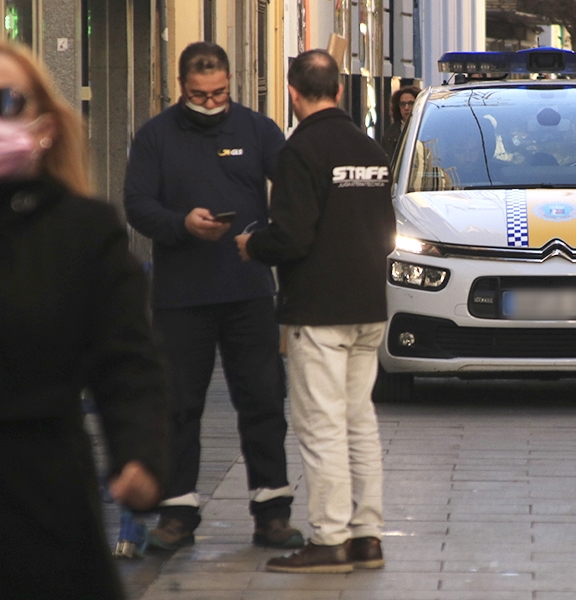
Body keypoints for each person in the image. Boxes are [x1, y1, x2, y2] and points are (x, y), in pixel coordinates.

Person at [0, 40, 168, 599]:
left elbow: (127, 361)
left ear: (44, 123)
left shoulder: (83, 232)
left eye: (4, 101)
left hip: (43, 508)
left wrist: (139, 455)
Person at [123, 41, 301, 551]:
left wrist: (272, 244)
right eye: (200, 95)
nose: (210, 101)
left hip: (247, 290)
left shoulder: (256, 130)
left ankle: (272, 511)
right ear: (181, 87)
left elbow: (292, 187)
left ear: (230, 84)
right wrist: (181, 224)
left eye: (219, 92)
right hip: (181, 296)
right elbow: (137, 204)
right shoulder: (155, 137)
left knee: (263, 398)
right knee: (178, 404)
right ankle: (177, 513)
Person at [235, 49, 395, 574]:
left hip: (321, 311)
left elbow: (293, 236)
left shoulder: (301, 149)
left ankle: (329, 540)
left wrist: (253, 245)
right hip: (370, 306)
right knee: (359, 422)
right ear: (340, 90)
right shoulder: (370, 148)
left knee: (321, 425)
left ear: (293, 93)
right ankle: (367, 535)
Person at [381, 85, 420, 160]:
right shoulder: (390, 135)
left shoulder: (426, 130)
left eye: (411, 103)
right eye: (402, 104)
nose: (406, 108)